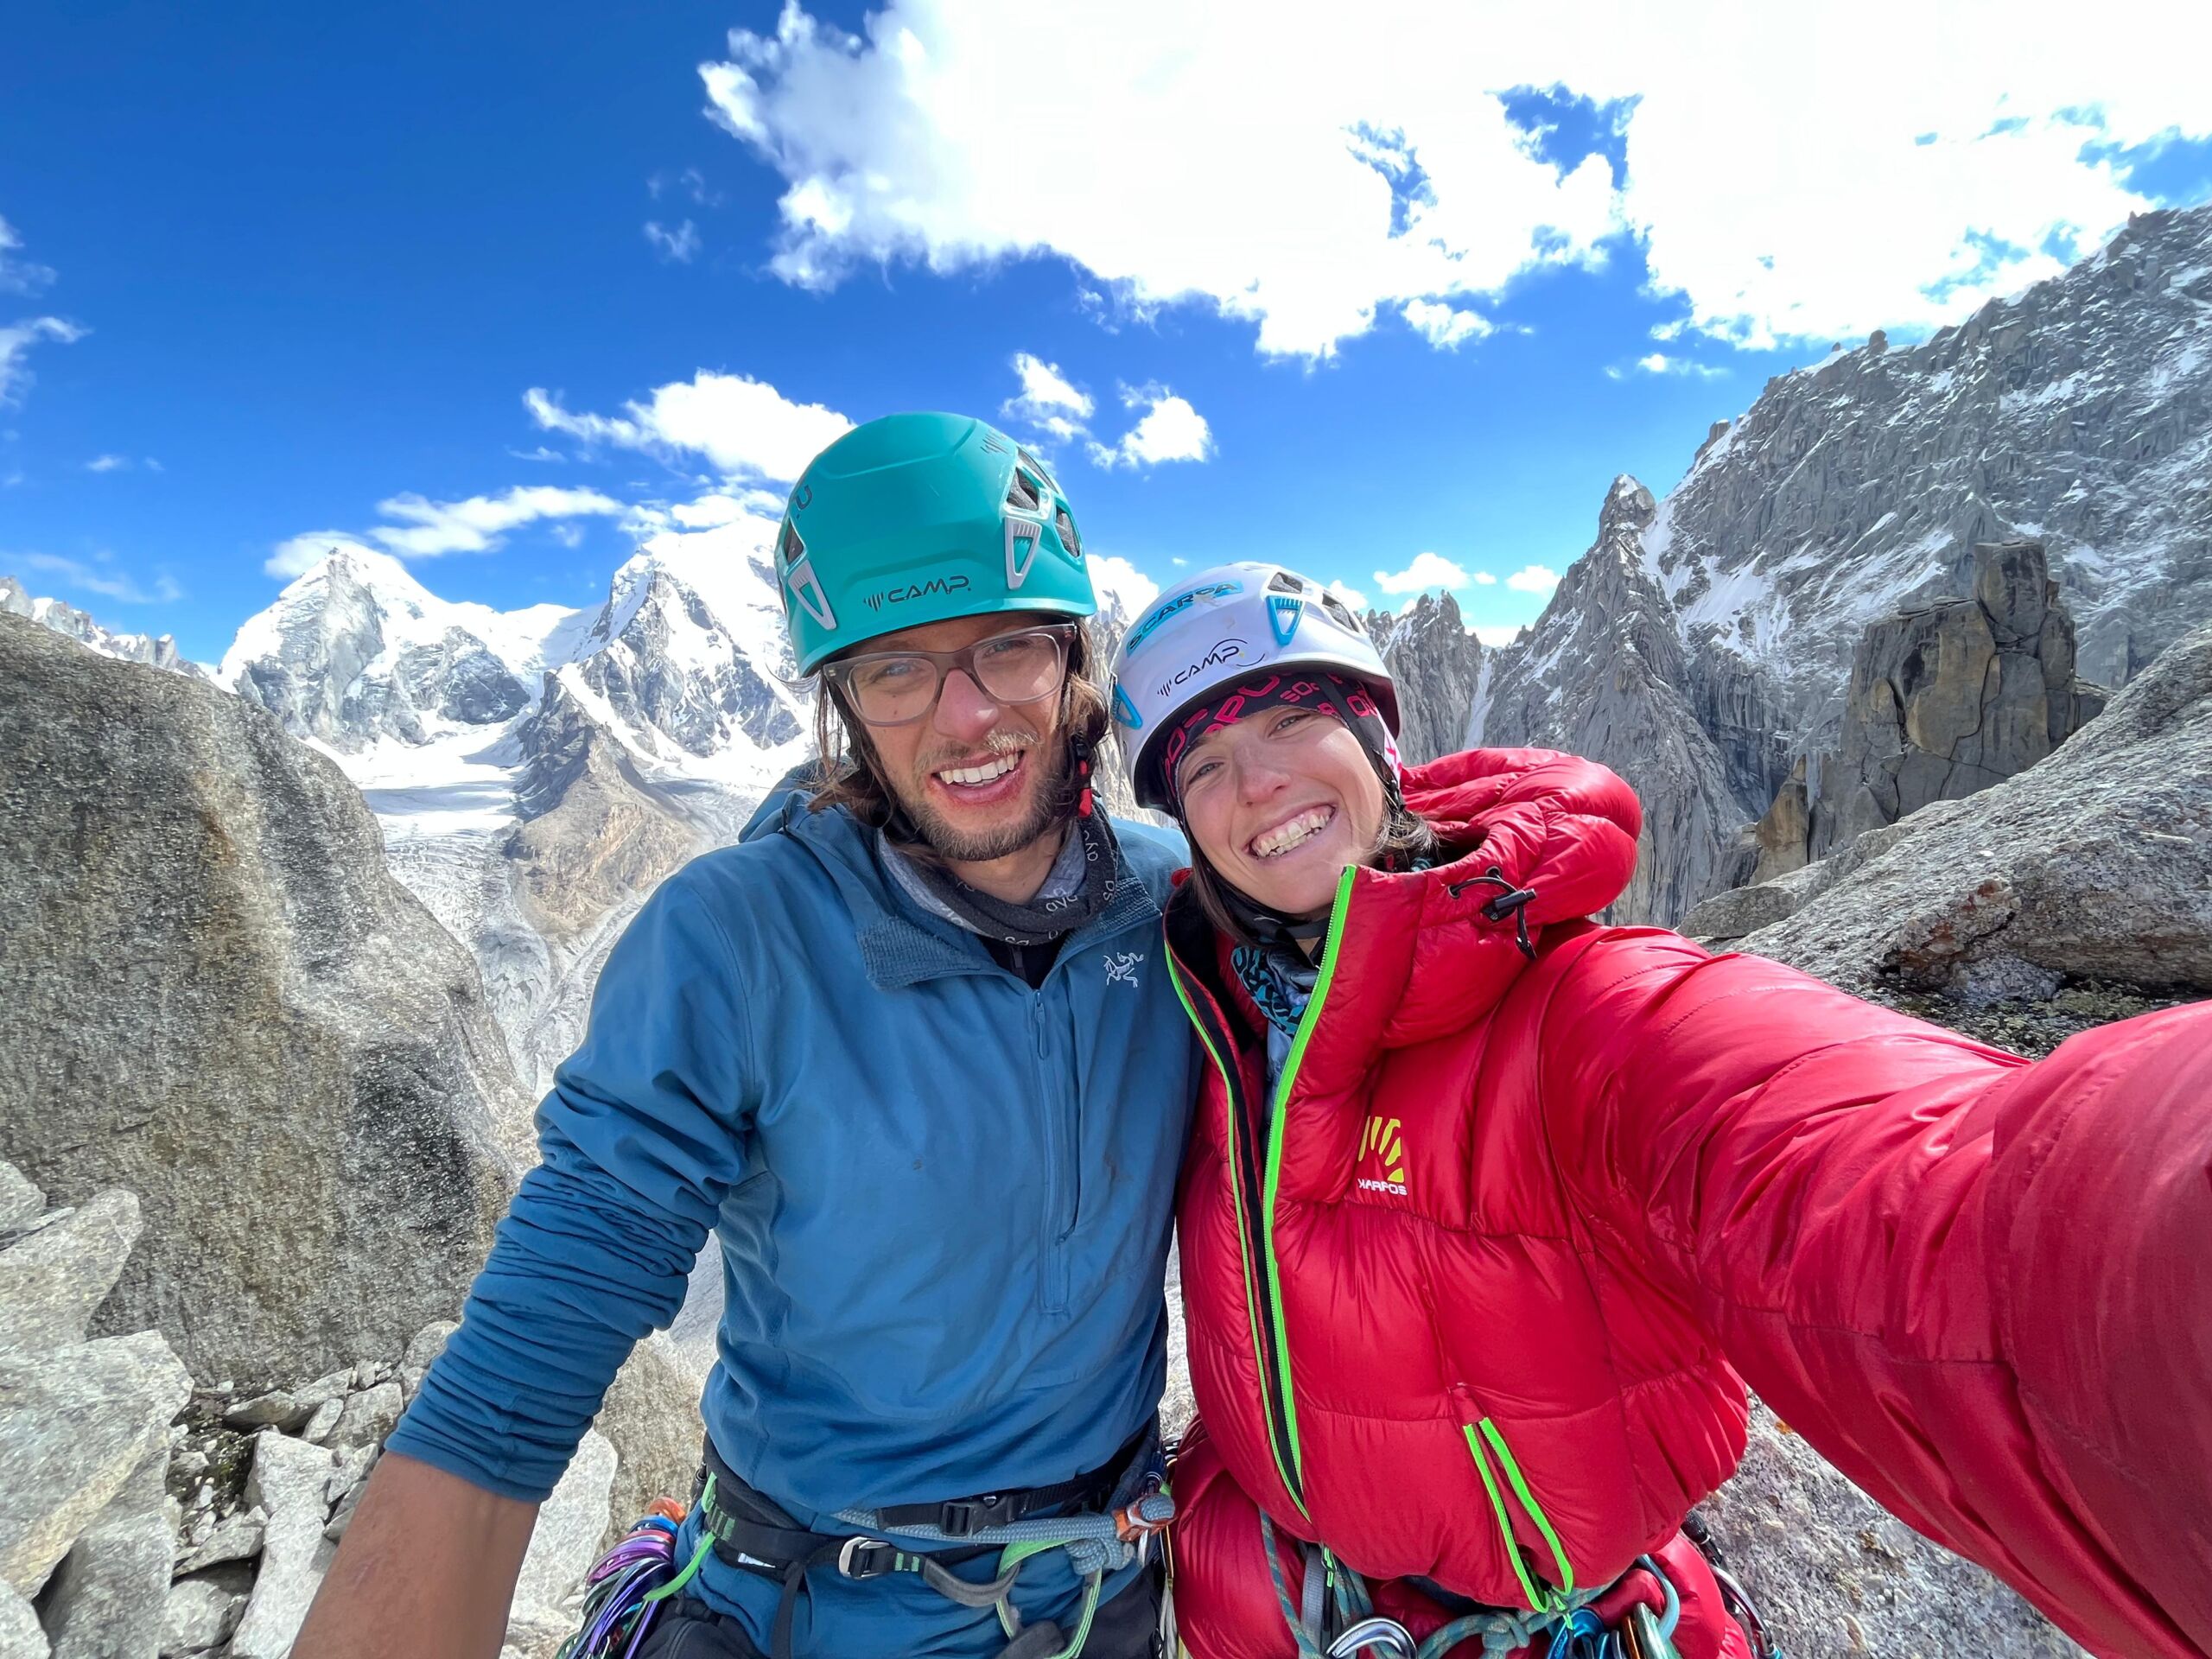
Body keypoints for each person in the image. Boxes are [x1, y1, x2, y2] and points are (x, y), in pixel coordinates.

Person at [1109, 562, 2212, 1659]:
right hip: (1257, 1588)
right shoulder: (1211, 1022)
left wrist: (2156, 1222)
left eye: (1292, 717)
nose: (1255, 784)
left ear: (1379, 743)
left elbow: (1929, 1190)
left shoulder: (1581, 1013)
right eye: (1201, 764)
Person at [300, 412, 1196, 1659]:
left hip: (1105, 1598)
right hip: (808, 1613)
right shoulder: (739, 937)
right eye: (896, 669)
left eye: (1006, 651)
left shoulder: (1173, 912)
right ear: (843, 704)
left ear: (1073, 661)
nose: (967, 715)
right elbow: (534, 1348)